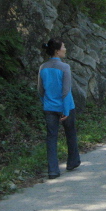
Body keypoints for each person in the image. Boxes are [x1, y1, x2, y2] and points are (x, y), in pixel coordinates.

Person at [37, 38, 81, 179]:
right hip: (65, 106)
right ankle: (72, 162)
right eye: (63, 47)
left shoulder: (42, 67)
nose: (65, 49)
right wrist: (66, 110)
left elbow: (40, 89)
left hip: (49, 107)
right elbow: (66, 91)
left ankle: (53, 170)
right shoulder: (65, 67)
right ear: (57, 51)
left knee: (51, 137)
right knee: (70, 133)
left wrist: (45, 102)